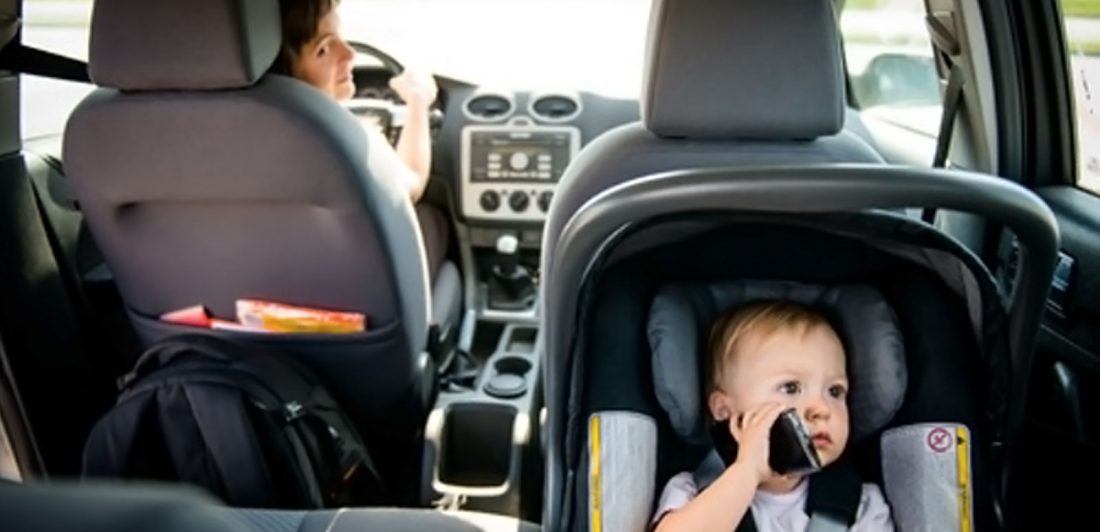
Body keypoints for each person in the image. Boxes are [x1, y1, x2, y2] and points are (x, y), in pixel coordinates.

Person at [653, 300, 894, 532]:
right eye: (790, 388)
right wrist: (747, 471)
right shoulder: (693, 493)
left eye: (835, 391)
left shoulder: (860, 503)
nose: (821, 408)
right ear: (725, 411)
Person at [271, 0, 449, 278]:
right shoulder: (343, 141)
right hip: (341, 306)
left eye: (340, 36)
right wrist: (417, 101)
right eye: (324, 49)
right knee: (432, 221)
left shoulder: (190, 140)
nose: (349, 53)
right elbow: (411, 184)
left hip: (234, 307)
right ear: (281, 69)